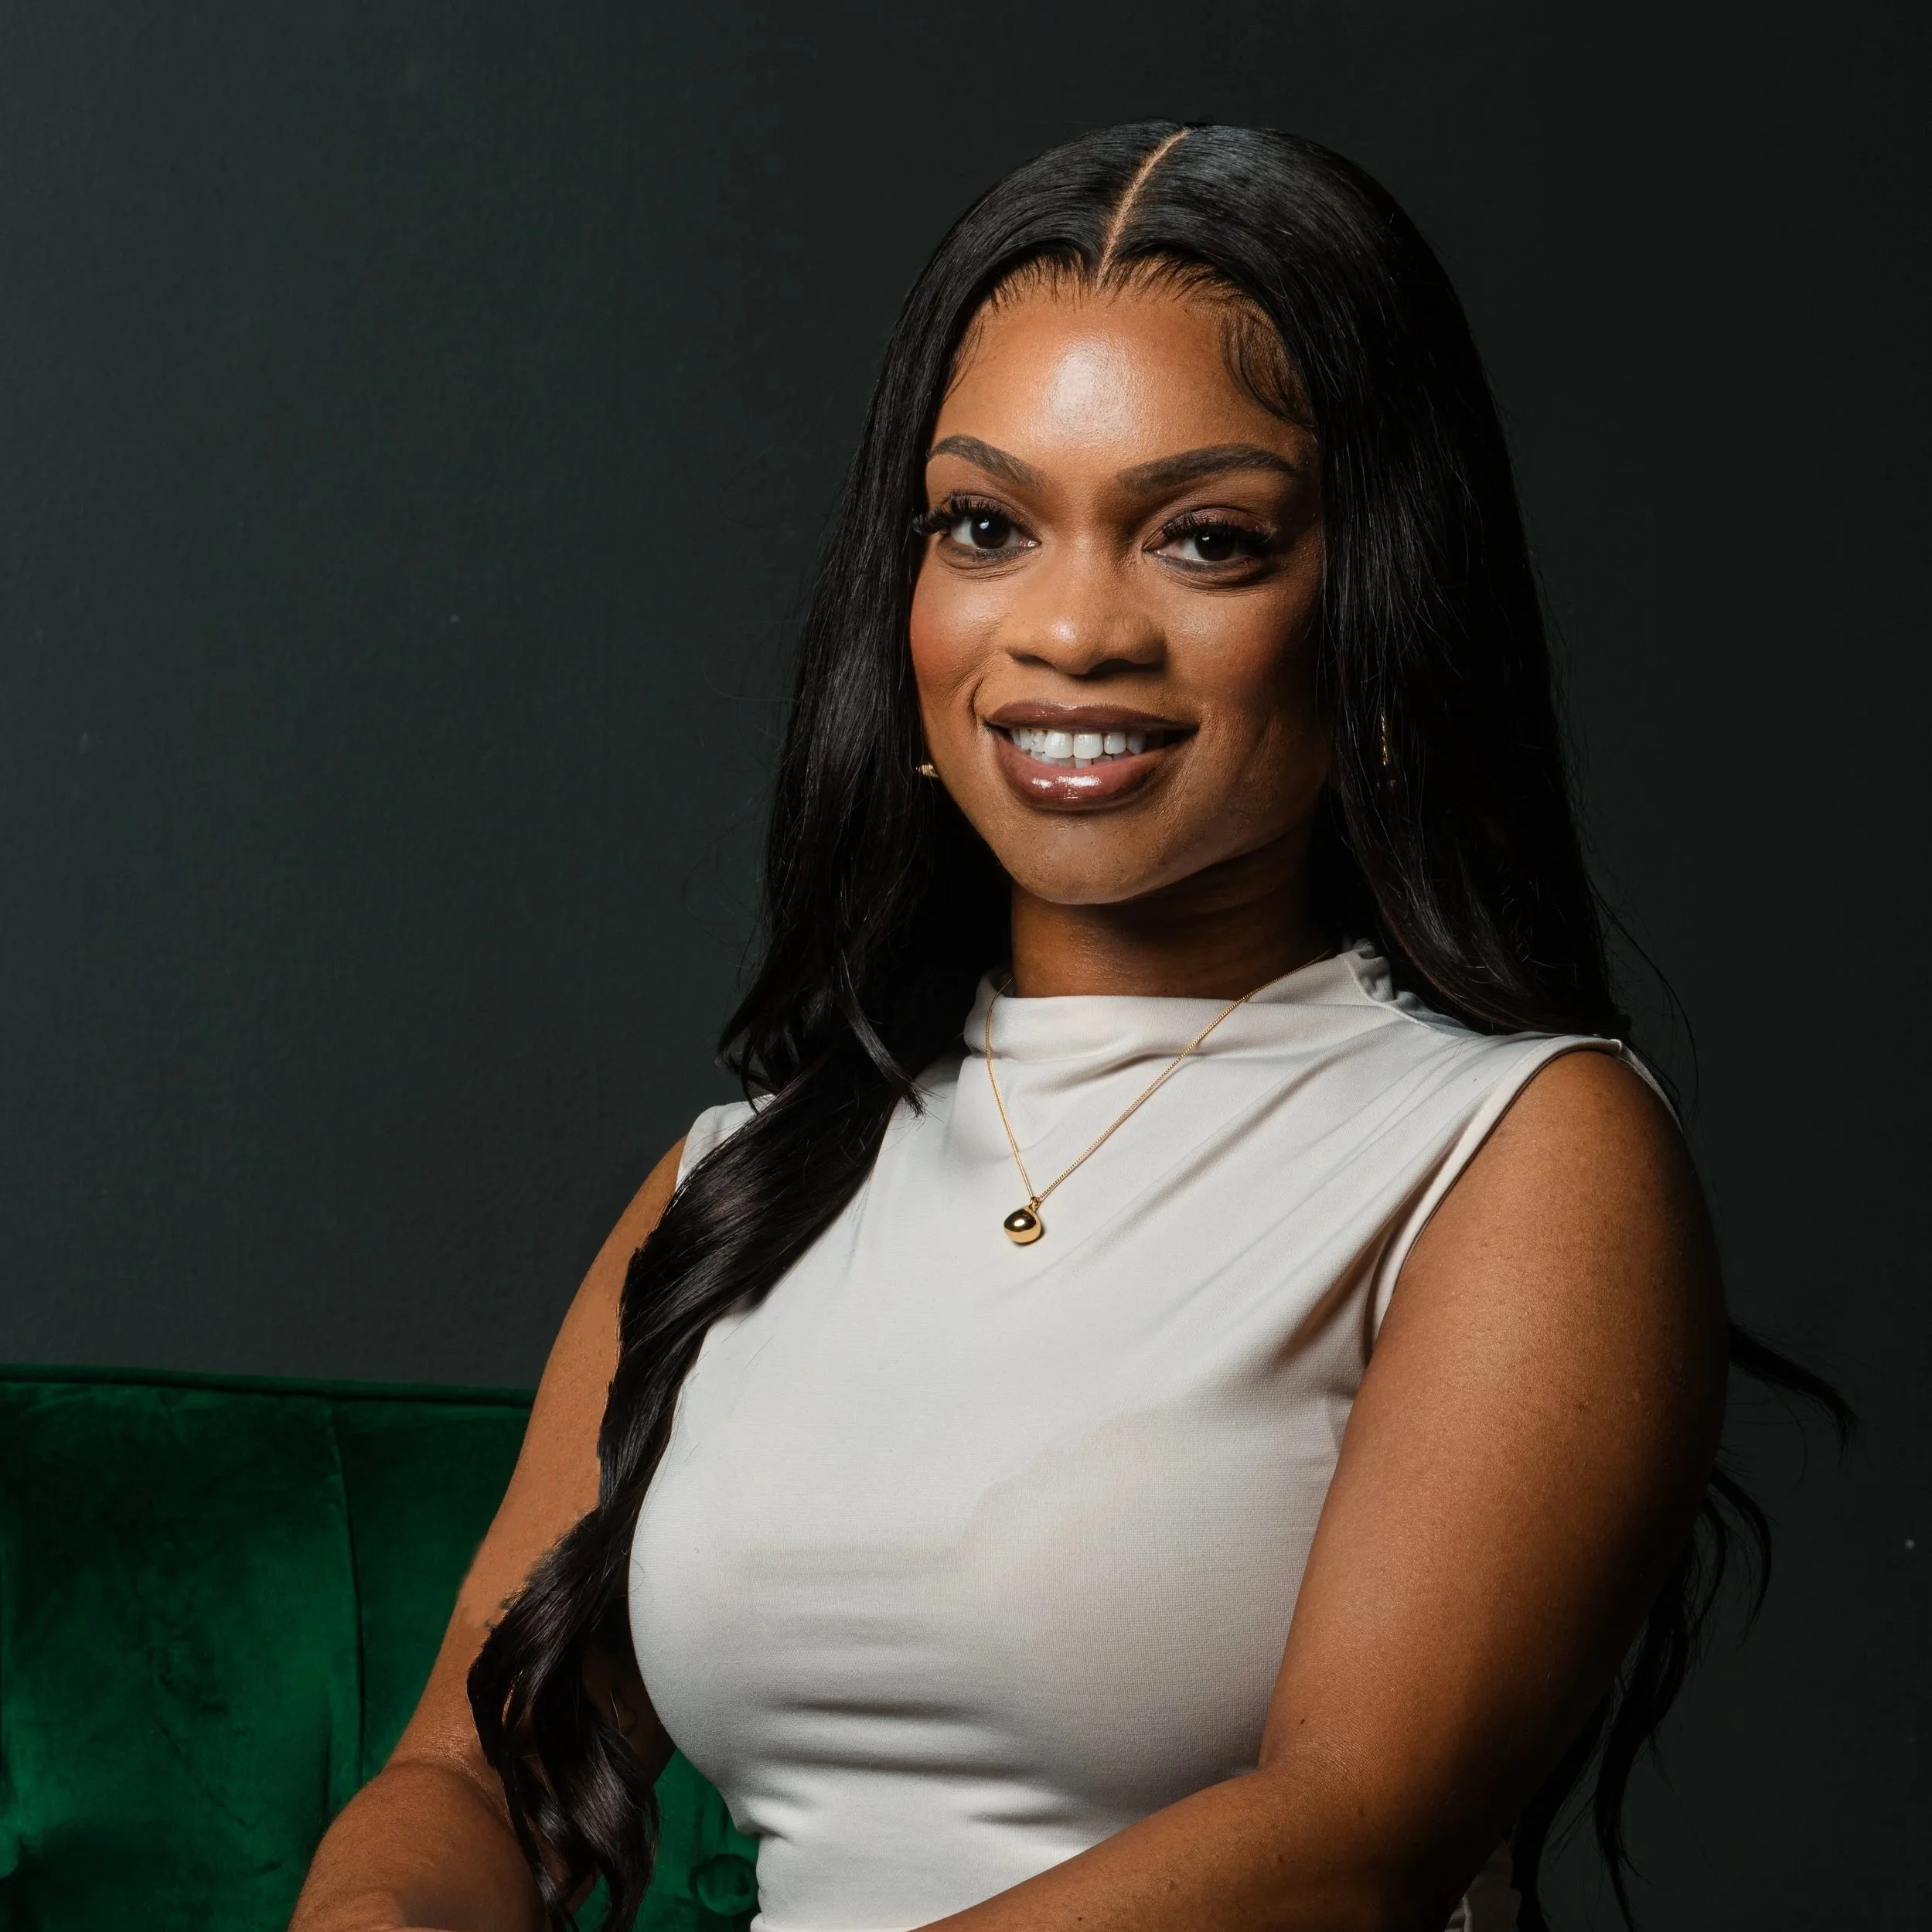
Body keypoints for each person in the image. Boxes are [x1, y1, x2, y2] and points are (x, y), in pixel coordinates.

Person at [291, 121, 1838, 1932]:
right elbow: (469, 1772)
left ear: (1379, 602)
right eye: (985, 526)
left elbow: (1347, 1845)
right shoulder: (746, 1178)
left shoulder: (1519, 1150)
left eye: (1204, 539)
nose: (1073, 629)